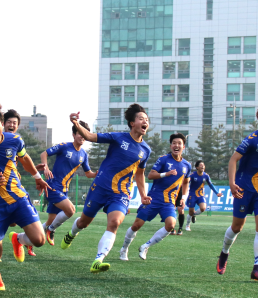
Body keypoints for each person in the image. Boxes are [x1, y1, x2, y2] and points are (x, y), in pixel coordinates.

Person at [60, 104, 151, 273]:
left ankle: (98, 259)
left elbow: (140, 173)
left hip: (121, 193)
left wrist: (143, 194)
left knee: (115, 222)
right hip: (100, 188)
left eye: (147, 120)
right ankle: (71, 234)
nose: (145, 122)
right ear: (132, 123)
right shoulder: (118, 138)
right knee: (84, 223)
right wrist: (76, 123)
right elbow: (89, 136)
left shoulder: (146, 150)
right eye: (141, 119)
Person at [0, 102, 50, 290]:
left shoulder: (14, 140)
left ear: (1, 123)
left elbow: (25, 158)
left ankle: (18, 239)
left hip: (18, 199)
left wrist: (38, 177)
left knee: (39, 240)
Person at [216, 103, 258, 281]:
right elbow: (233, 160)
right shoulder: (252, 139)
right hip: (244, 188)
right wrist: (231, 183)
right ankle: (224, 253)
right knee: (237, 227)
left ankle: (257, 268)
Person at [119, 133, 191, 260]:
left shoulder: (187, 165)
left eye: (179, 143)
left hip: (169, 202)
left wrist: (183, 198)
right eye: (174, 143)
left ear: (183, 147)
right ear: (170, 146)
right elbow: (151, 175)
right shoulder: (163, 159)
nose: (176, 145)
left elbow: (186, 182)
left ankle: (145, 246)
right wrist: (166, 174)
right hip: (154, 198)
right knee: (136, 225)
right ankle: (124, 249)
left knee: (170, 225)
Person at [40, 120, 97, 246]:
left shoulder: (84, 154)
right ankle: (51, 230)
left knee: (50, 220)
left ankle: (22, 239)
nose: (82, 136)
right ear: (74, 134)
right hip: (53, 186)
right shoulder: (64, 146)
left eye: (84, 133)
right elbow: (44, 153)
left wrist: (97, 173)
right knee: (71, 210)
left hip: (63, 190)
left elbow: (88, 174)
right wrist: (46, 168)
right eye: (79, 133)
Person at [0, 109, 37, 257]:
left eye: (14, 123)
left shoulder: (17, 140)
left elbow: (23, 159)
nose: (11, 124)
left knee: (17, 220)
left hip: (14, 183)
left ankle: (21, 239)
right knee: (12, 222)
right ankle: (19, 239)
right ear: (3, 124)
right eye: (9, 122)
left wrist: (35, 172)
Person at [185, 160, 223, 231]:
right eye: (201, 165)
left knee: (203, 208)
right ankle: (187, 225)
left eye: (203, 165)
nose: (203, 166)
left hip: (200, 195)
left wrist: (217, 193)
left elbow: (210, 185)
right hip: (192, 195)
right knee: (190, 212)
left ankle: (194, 215)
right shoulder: (193, 175)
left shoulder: (206, 175)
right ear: (197, 167)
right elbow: (186, 182)